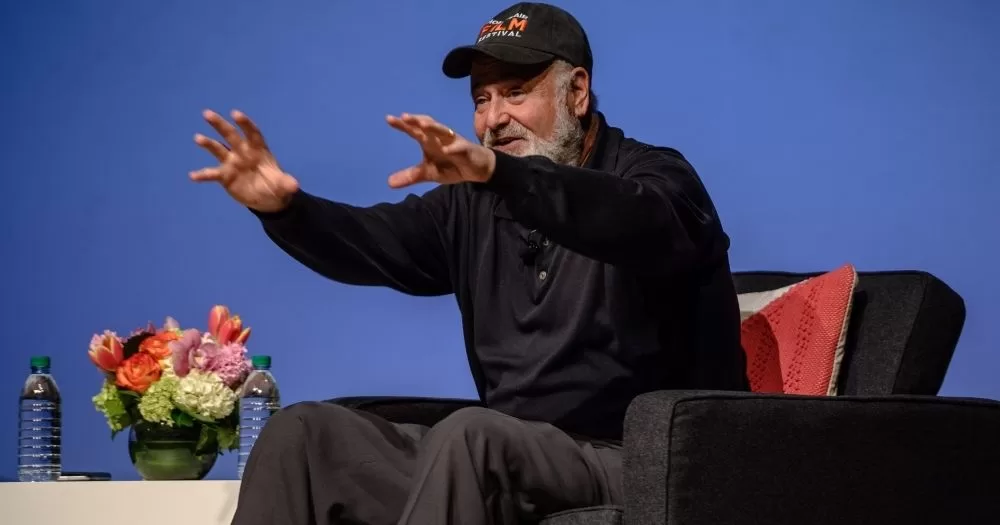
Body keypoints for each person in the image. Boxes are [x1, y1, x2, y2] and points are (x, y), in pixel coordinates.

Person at [191, 3, 748, 524]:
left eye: (515, 93)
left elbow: (632, 221)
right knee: (303, 435)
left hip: (642, 461)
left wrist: (499, 175)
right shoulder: (473, 204)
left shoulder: (657, 181)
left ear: (577, 92)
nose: (494, 119)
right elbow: (371, 240)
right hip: (505, 455)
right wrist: (287, 209)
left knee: (474, 437)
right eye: (482, 100)